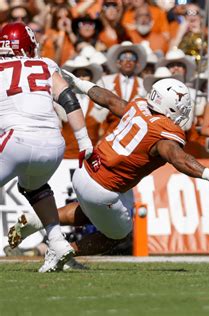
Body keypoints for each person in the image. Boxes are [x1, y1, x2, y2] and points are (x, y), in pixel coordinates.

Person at [8, 76, 209, 269]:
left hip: (84, 171)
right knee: (118, 235)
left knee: (91, 213)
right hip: (104, 188)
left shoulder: (139, 106)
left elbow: (109, 100)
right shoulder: (165, 133)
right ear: (169, 106)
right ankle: (64, 253)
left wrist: (78, 83)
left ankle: (37, 220)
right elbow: (177, 157)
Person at [0, 22, 94, 272]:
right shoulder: (45, 64)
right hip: (54, 145)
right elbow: (68, 98)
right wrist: (84, 140)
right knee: (35, 186)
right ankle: (57, 242)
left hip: (16, 139)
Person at [98, 41, 147, 138]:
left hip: (135, 134)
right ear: (118, 62)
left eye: (132, 58)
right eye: (124, 57)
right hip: (109, 132)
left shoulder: (144, 84)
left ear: (137, 63)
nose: (128, 61)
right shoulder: (105, 81)